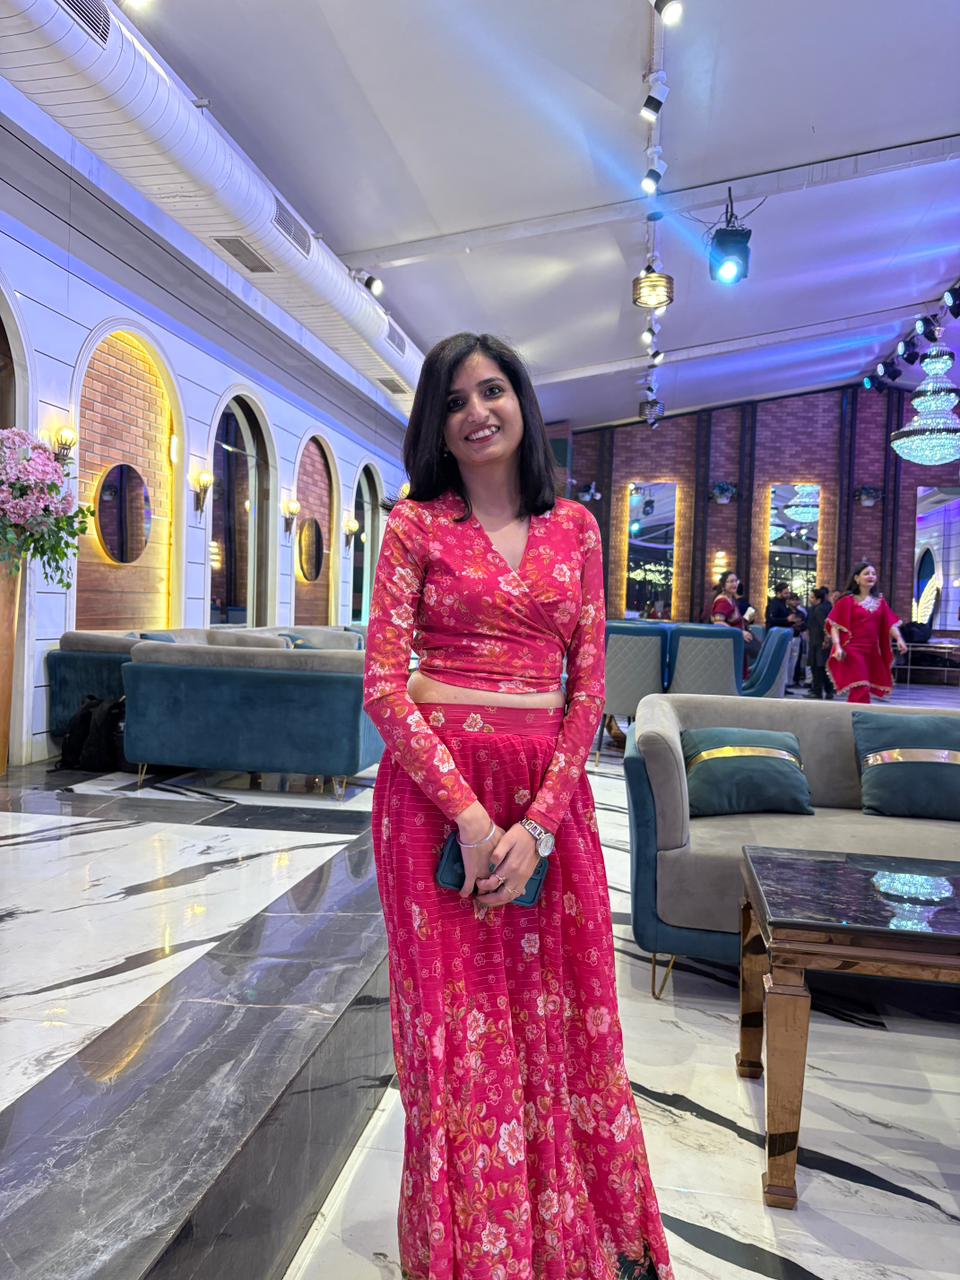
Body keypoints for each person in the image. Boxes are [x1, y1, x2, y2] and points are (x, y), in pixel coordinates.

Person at [363, 333, 673, 1280]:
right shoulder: (416, 525)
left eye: (493, 390)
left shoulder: (577, 529)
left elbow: (589, 690)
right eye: (456, 401)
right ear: (438, 425)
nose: (477, 411)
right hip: (433, 807)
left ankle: (569, 1249)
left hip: (550, 808)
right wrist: (467, 815)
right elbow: (382, 682)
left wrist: (535, 825)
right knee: (454, 1034)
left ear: (523, 405)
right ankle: (469, 1256)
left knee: (563, 1019)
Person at [826, 561, 907, 703]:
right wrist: (837, 647)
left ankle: (855, 716)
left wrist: (899, 639)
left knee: (864, 687)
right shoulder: (847, 601)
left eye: (873, 574)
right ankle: (858, 716)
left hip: (871, 651)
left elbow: (889, 624)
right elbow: (835, 625)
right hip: (852, 650)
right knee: (860, 685)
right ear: (856, 578)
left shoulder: (880, 602)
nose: (871, 576)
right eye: (866, 573)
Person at [711, 571, 760, 668]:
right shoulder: (723, 601)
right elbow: (718, 623)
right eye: (731, 581)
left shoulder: (731, 600)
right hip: (728, 646)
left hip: (735, 644)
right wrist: (740, 632)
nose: (734, 584)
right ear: (723, 585)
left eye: (736, 581)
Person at [805, 586, 833, 700]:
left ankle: (818, 692)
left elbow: (825, 626)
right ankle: (827, 691)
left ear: (818, 599)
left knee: (818, 668)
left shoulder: (819, 609)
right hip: (817, 641)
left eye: (812, 597)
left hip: (819, 642)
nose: (810, 599)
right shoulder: (824, 607)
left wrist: (826, 640)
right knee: (821, 668)